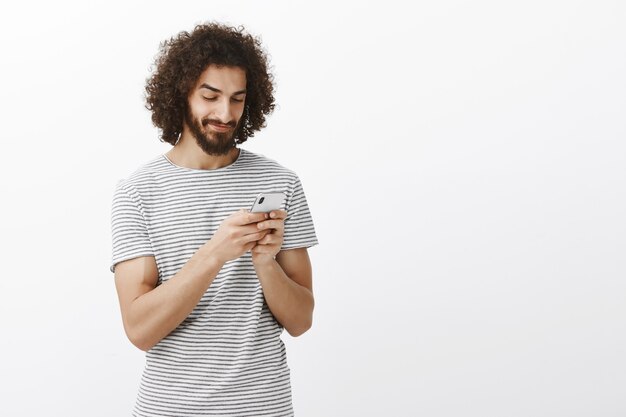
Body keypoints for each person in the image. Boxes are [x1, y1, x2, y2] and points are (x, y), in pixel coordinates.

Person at [109, 22, 319, 417]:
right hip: (169, 408)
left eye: (237, 99)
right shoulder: (138, 191)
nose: (225, 113)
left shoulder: (281, 183)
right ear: (181, 94)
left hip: (263, 408)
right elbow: (139, 329)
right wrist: (215, 254)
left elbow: (301, 321)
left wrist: (264, 263)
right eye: (211, 96)